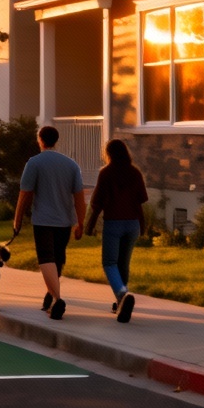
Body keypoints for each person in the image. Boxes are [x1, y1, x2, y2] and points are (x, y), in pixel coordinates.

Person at [13, 124, 86, 321]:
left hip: (43, 220)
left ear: (40, 140)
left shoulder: (34, 163)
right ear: (56, 140)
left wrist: (17, 220)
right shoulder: (71, 165)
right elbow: (79, 197)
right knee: (58, 259)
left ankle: (57, 298)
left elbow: (25, 194)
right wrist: (81, 223)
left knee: (46, 259)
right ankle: (50, 297)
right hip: (64, 221)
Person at [85, 138, 148, 324]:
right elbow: (140, 202)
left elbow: (97, 203)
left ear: (108, 153)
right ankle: (121, 302)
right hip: (133, 224)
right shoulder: (134, 172)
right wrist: (142, 225)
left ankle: (122, 294)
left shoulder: (106, 173)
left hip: (114, 223)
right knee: (123, 264)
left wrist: (90, 224)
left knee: (109, 263)